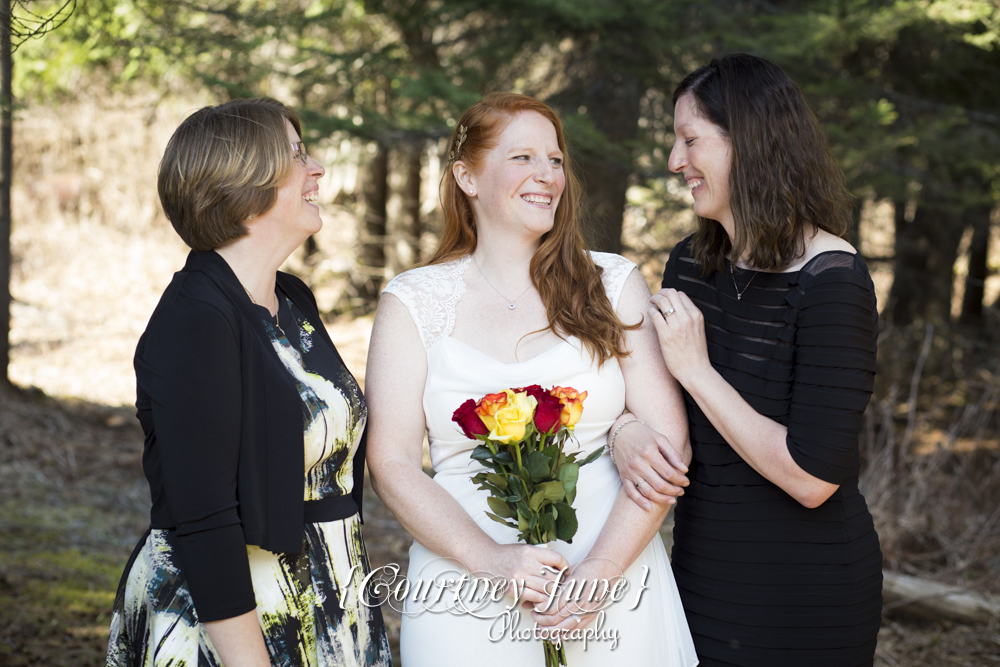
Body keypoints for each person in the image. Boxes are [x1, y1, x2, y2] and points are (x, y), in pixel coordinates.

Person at [364, 92, 699, 666]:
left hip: (612, 587)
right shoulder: (413, 301)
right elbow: (391, 463)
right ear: (466, 176)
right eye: (522, 158)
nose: (547, 175)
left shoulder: (612, 283)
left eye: (556, 160)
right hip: (465, 592)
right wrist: (492, 560)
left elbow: (670, 446)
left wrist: (600, 573)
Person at [614, 54, 882, 666]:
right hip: (704, 573)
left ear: (751, 140)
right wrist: (625, 430)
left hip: (806, 592)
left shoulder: (832, 280)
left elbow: (812, 479)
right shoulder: (690, 263)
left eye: (690, 139)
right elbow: (650, 405)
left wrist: (697, 371)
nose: (676, 161)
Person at [106, 97, 392, 667]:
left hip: (330, 605)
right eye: (295, 155)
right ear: (242, 183)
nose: (317, 170)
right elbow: (203, 518)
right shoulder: (196, 318)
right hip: (235, 623)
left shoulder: (293, 300)